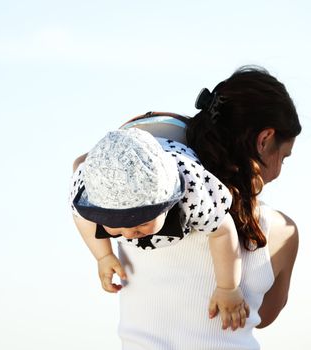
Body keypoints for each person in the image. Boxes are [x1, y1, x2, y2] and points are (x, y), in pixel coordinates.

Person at [72, 65, 301, 349]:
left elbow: (82, 165)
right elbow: (262, 317)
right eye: (285, 156)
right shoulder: (279, 230)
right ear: (265, 139)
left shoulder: (130, 205)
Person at [70, 126, 249, 331]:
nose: (129, 234)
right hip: (112, 157)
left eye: (142, 222)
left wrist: (228, 287)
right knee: (77, 165)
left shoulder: (193, 187)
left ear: (167, 204)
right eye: (115, 224)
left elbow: (222, 231)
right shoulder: (85, 188)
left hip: (167, 135)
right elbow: (79, 217)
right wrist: (103, 256)